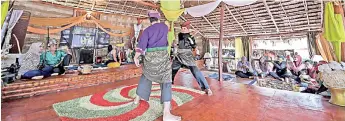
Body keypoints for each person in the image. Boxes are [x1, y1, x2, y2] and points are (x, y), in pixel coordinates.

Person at [133, 10, 181, 121]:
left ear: (150, 20)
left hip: (150, 60)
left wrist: (136, 57)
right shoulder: (164, 27)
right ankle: (166, 113)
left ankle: (136, 99)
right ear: (158, 19)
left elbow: (141, 47)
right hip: (162, 59)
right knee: (166, 80)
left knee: (146, 76)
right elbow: (167, 40)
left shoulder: (146, 30)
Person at [171, 21, 212, 95]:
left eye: (184, 28)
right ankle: (170, 82)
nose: (183, 29)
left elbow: (193, 46)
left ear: (187, 29)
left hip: (187, 56)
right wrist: (192, 35)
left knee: (196, 71)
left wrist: (192, 37)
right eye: (182, 28)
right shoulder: (180, 34)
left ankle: (206, 87)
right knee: (173, 69)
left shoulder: (191, 38)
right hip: (179, 55)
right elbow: (184, 37)